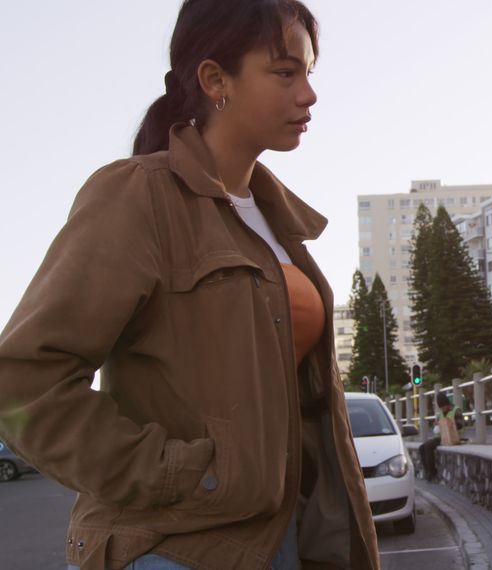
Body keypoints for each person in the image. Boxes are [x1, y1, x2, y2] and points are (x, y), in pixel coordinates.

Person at [0, 1, 379, 569]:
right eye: (285, 72)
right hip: (172, 551)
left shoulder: (277, 222)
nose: (308, 95)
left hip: (283, 538)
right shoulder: (138, 197)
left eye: (308, 73)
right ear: (214, 79)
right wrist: (181, 475)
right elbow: (23, 382)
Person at [419, 393, 464, 481]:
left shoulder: (456, 410)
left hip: (453, 436)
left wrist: (449, 423)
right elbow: (438, 426)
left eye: (444, 407)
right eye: (441, 407)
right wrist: (437, 424)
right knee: (421, 447)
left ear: (447, 404)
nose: (443, 409)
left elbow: (460, 425)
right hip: (442, 436)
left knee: (428, 446)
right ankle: (427, 470)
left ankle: (432, 472)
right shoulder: (441, 413)